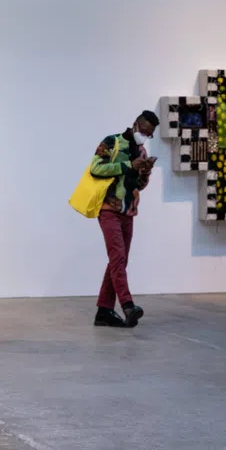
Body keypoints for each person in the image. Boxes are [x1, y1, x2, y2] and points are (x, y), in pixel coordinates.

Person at [89, 111, 159, 328]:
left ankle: (104, 311)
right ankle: (127, 305)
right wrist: (128, 166)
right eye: (144, 131)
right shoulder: (112, 142)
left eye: (149, 134)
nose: (145, 136)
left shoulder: (142, 151)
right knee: (118, 257)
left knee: (119, 260)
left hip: (128, 211)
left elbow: (139, 186)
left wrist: (145, 172)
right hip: (109, 209)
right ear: (135, 125)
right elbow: (95, 168)